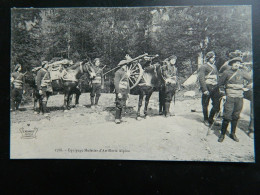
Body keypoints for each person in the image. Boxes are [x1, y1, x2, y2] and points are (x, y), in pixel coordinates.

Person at [217, 57, 252, 142]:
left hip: (239, 97)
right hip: (230, 97)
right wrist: (224, 95)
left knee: (236, 116)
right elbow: (220, 85)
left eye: (239, 63)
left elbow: (251, 80)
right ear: (232, 64)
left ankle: (233, 133)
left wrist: (247, 87)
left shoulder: (242, 72)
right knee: (227, 116)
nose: (237, 64)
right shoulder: (226, 72)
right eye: (235, 63)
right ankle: (222, 134)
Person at [198, 51, 221, 126]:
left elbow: (217, 77)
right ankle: (206, 119)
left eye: (214, 57)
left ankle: (211, 118)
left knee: (216, 104)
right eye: (212, 57)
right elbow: (201, 79)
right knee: (205, 104)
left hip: (215, 87)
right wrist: (204, 89)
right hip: (207, 87)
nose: (213, 59)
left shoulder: (214, 66)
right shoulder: (203, 66)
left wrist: (219, 86)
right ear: (208, 58)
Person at [114, 57, 130, 124]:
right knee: (119, 103)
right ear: (122, 65)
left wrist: (128, 92)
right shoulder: (118, 72)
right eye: (125, 65)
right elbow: (116, 83)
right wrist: (118, 92)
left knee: (123, 104)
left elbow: (127, 83)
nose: (126, 66)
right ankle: (117, 118)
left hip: (125, 90)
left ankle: (121, 117)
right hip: (120, 90)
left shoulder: (126, 73)